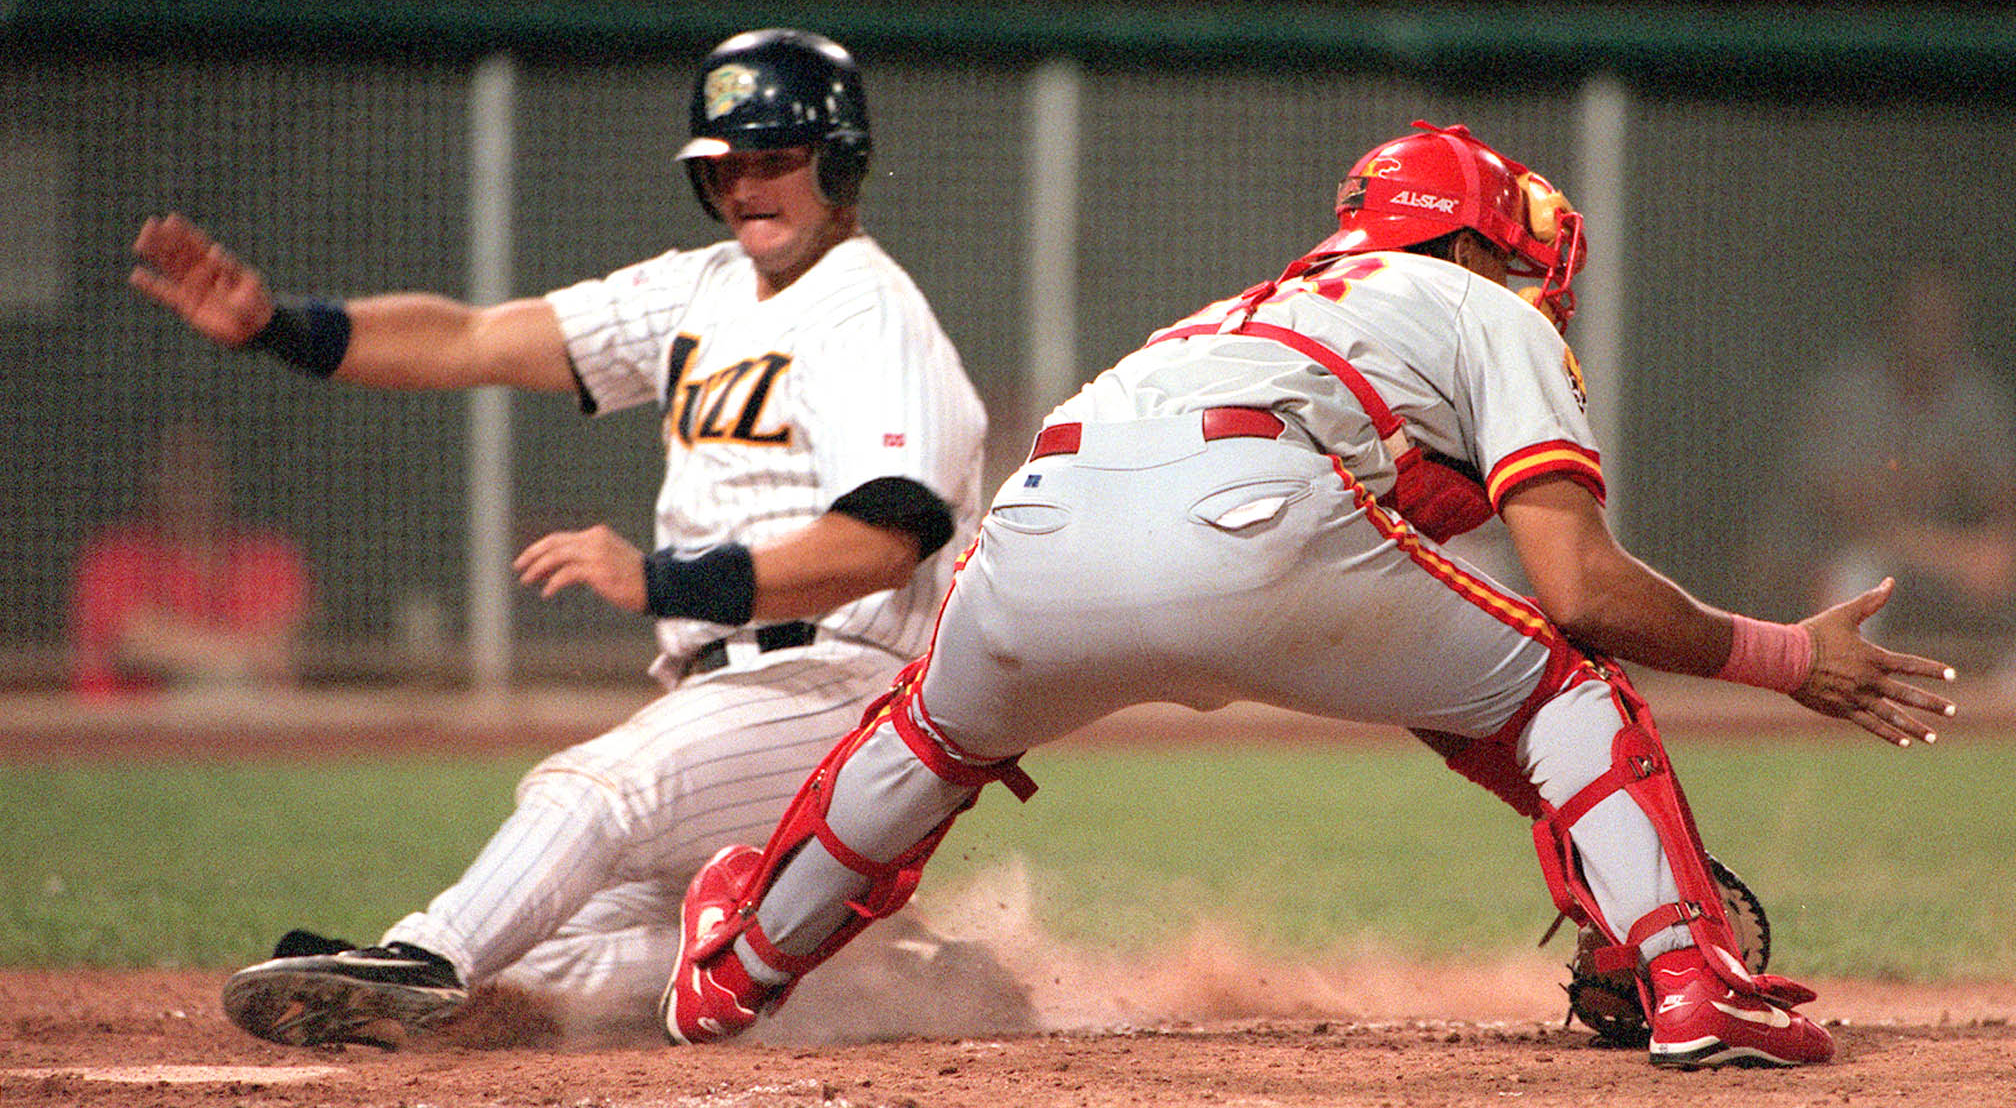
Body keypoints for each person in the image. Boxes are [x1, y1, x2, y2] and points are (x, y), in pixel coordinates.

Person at [658, 122, 1958, 1069]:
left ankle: (736, 964)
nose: (1529, 284)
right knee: (1568, 689)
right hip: (1254, 511)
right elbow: (1582, 591)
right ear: (1470, 241)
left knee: (937, 735)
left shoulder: (1249, 312)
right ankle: (1691, 977)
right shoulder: (1481, 310)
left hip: (1039, 525)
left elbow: (1417, 611)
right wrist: (1788, 658)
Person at [127, 28, 1013, 1048]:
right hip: (730, 694)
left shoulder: (874, 314)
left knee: (599, 787)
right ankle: (857, 965)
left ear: (839, 161)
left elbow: (883, 540)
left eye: (773, 159)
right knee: (548, 955)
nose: (744, 186)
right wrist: (279, 325)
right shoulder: (706, 289)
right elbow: (474, 337)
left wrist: (664, 578)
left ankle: (421, 953)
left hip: (849, 691)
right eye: (723, 164)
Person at [1767, 262, 2016, 668]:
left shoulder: (1975, 398)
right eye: (1921, 320)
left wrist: (1996, 550)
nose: (1932, 335)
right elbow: (1858, 520)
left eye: (1944, 322)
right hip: (1835, 554)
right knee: (1853, 581)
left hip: (1936, 560)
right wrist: (1957, 557)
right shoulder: (1847, 394)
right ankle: (1837, 711)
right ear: (1893, 324)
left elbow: (2006, 501)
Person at [70, 418, 312, 704]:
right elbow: (135, 643)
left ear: (225, 475)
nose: (189, 482)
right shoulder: (114, 557)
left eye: (200, 467)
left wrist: (176, 640)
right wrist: (238, 653)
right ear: (153, 477)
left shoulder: (269, 557)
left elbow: (281, 648)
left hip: (247, 727)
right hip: (133, 732)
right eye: (177, 467)